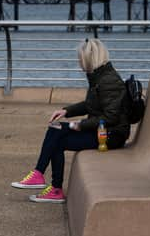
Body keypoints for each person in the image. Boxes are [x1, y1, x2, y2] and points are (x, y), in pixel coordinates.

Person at [11, 38, 131, 203]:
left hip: (111, 136)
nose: (78, 62)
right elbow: (91, 105)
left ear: (89, 59)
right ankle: (49, 184)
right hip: (102, 130)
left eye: (80, 58)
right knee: (55, 130)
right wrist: (66, 111)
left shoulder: (109, 81)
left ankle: (48, 182)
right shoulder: (99, 77)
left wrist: (79, 125)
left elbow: (111, 117)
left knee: (57, 136)